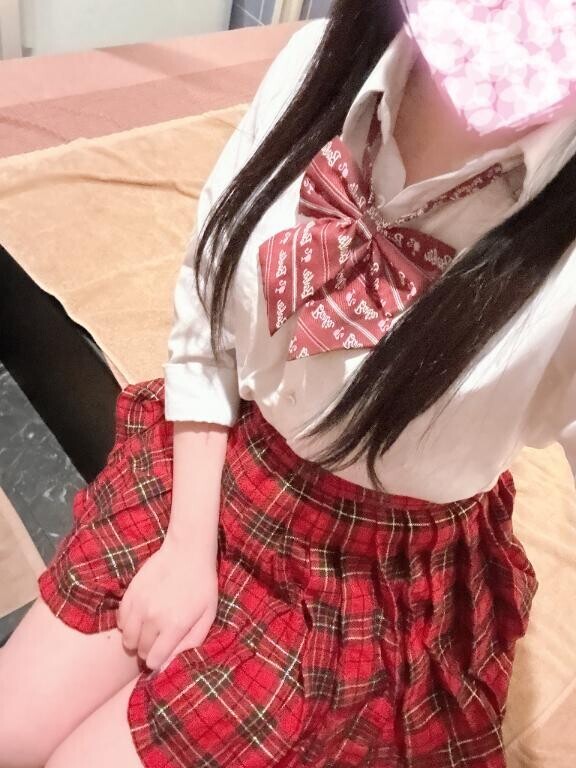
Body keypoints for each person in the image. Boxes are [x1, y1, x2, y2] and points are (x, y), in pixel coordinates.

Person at [1, 1, 576, 766]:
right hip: (224, 457)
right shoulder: (315, 62)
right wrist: (187, 547)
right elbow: (206, 304)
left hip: (372, 573)